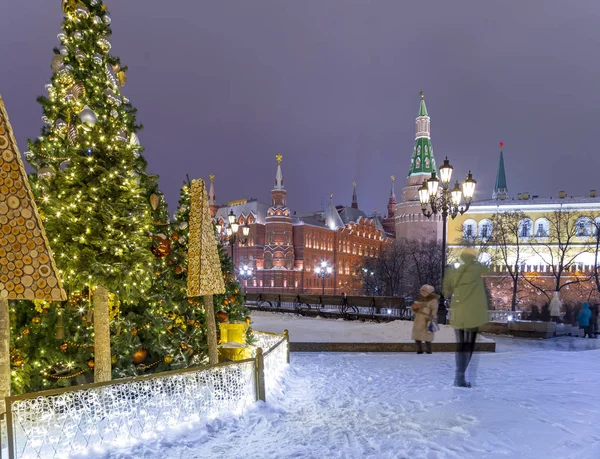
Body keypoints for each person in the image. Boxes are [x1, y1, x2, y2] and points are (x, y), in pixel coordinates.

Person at [443, 248, 489, 388]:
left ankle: (459, 375)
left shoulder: (455, 271)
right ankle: (461, 376)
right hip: (473, 314)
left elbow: (445, 291)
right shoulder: (478, 269)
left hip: (460, 313)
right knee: (469, 346)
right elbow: (488, 268)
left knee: (461, 345)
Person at [411, 284, 439, 354]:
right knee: (417, 335)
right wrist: (414, 308)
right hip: (418, 319)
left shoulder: (433, 300)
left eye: (425, 291)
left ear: (429, 292)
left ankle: (429, 350)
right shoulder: (420, 298)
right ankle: (419, 349)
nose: (423, 292)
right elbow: (414, 308)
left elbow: (434, 310)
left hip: (427, 319)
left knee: (427, 336)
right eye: (422, 290)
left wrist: (431, 317)